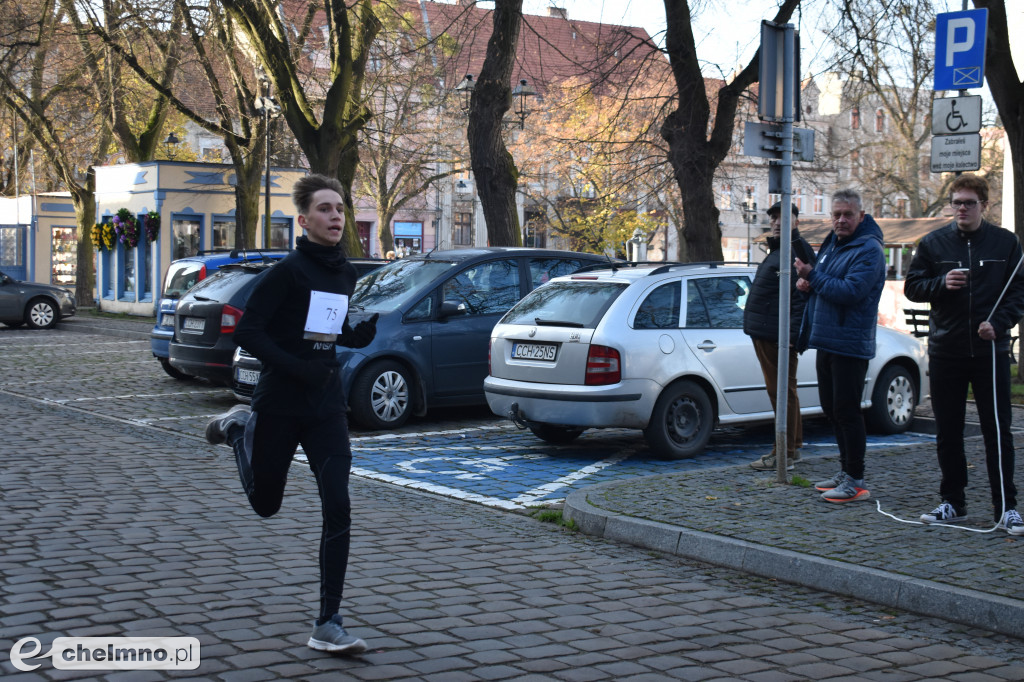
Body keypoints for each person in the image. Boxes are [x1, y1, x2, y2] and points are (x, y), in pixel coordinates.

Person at [204, 174, 379, 653]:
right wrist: (297, 367)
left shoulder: (344, 273)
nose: (336, 216)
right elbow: (248, 332)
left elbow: (323, 327)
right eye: (325, 209)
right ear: (303, 220)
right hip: (280, 400)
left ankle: (328, 621)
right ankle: (239, 428)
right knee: (266, 505)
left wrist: (353, 335)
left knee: (339, 505)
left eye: (340, 208)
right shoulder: (286, 272)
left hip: (325, 404)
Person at [904, 173, 1024, 535]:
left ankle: (1006, 508)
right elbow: (912, 286)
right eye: (956, 202)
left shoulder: (1006, 244)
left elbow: (1018, 291)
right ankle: (953, 501)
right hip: (946, 349)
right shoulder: (934, 243)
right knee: (949, 430)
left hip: (990, 351)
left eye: (969, 203)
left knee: (997, 429)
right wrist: (941, 283)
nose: (962, 209)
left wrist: (999, 324)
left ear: (983, 205)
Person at [794, 189, 886, 503]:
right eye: (836, 215)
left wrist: (813, 276)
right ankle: (845, 471)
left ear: (861, 216)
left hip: (850, 342)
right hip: (827, 339)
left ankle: (856, 480)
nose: (841, 220)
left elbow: (851, 291)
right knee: (831, 409)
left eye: (847, 214)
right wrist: (808, 286)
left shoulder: (869, 249)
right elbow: (824, 284)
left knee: (847, 412)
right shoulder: (834, 244)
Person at [743, 201, 816, 472]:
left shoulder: (795, 250)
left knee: (781, 392)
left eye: (783, 218)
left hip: (777, 335)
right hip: (768, 332)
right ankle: (792, 448)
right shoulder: (780, 249)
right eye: (774, 217)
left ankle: (782, 453)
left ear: (796, 222)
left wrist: (792, 336)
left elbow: (801, 298)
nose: (776, 222)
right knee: (785, 391)